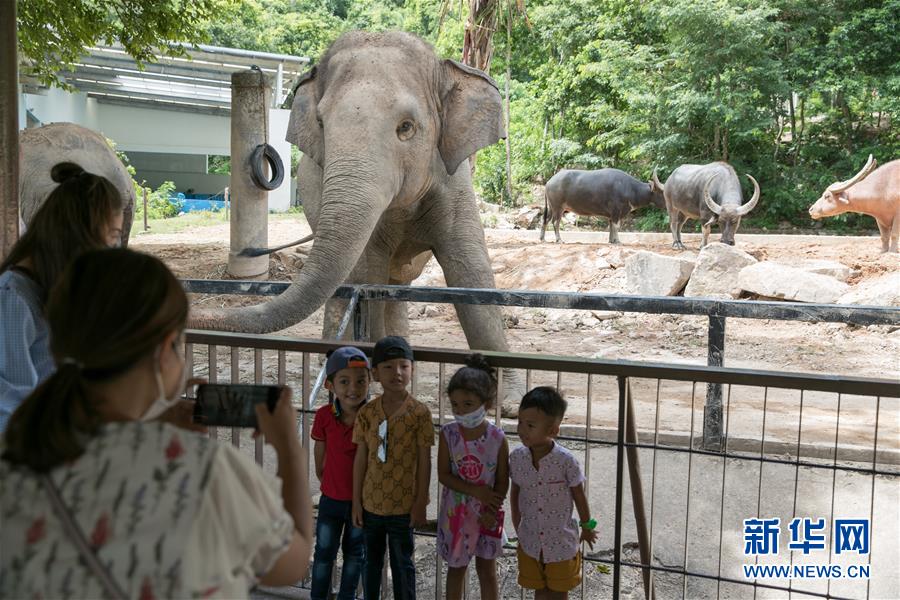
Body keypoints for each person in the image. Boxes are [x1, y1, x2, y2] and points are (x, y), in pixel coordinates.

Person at [0, 249, 313, 599]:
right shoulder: (206, 470)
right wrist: (289, 449)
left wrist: (149, 425)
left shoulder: (16, 452)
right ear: (166, 349)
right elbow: (292, 563)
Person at [0, 162, 125, 432]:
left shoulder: (49, 289)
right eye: (111, 237)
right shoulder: (13, 298)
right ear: (79, 233)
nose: (112, 251)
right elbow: (9, 410)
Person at [351, 336, 434, 600]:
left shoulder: (420, 413)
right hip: (371, 504)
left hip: (403, 507)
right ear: (375, 373)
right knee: (370, 562)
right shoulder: (367, 413)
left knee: (402, 564)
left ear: (412, 370)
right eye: (387, 367)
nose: (396, 373)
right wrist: (356, 502)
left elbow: (425, 460)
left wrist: (421, 500)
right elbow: (360, 459)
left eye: (403, 366)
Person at [509, 387, 598, 599]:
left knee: (559, 591)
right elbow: (515, 494)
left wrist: (587, 526)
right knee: (539, 589)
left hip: (561, 542)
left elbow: (579, 495)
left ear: (552, 430)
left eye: (530, 425)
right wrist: (517, 526)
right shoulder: (517, 458)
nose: (522, 430)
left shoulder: (566, 461)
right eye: (520, 422)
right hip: (530, 540)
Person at [436, 354, 509, 600]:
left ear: (486, 403)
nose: (460, 411)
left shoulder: (498, 438)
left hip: (487, 514)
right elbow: (444, 475)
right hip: (455, 515)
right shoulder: (448, 434)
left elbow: (502, 480)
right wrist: (475, 491)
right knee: (456, 570)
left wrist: (492, 507)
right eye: (455, 404)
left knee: (487, 570)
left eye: (467, 404)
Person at [310, 346, 371, 600]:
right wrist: (323, 476)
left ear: (370, 381)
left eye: (360, 381)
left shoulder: (373, 417)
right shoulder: (324, 416)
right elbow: (319, 450)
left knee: (355, 554)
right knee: (324, 552)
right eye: (344, 382)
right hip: (330, 500)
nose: (353, 389)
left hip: (363, 502)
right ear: (329, 385)